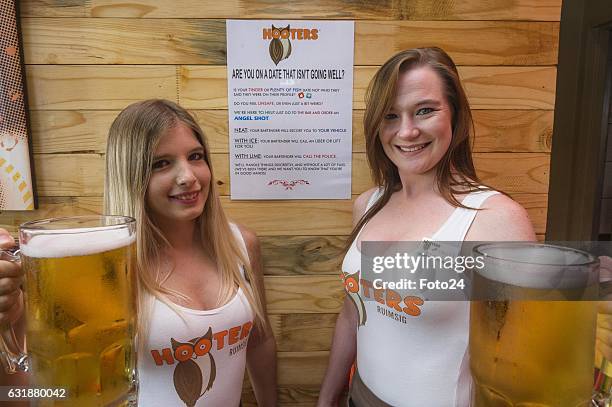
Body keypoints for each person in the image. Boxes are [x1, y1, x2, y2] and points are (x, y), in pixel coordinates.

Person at [0, 99, 277, 406]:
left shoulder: (241, 245)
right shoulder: (101, 269)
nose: (188, 176)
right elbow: (27, 395)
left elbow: (260, 341)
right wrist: (9, 322)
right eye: (161, 163)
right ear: (130, 176)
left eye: (195, 156)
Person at [316, 47, 537, 406]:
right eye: (390, 116)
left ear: (455, 115)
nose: (407, 131)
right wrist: (327, 398)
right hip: (360, 397)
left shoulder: (496, 220)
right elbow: (352, 313)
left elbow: (524, 357)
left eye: (425, 110)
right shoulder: (368, 205)